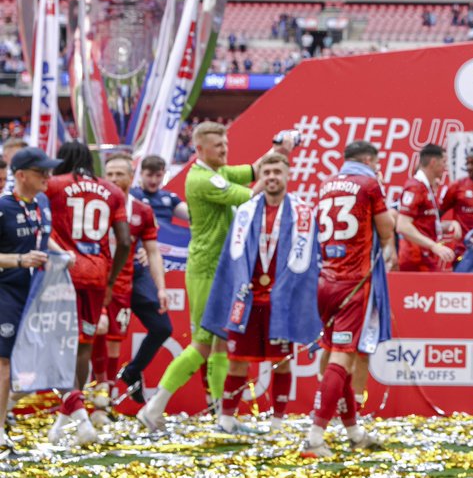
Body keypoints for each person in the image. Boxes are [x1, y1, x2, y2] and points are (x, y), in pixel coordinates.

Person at [138, 122, 290, 431]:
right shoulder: (201, 179)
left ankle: (224, 418)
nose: (224, 149)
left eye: (225, 143)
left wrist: (277, 150)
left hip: (222, 271)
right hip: (206, 270)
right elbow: (251, 194)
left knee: (221, 343)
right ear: (200, 150)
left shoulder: (217, 171)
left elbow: (252, 170)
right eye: (218, 145)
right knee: (204, 343)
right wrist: (276, 176)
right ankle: (155, 407)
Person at [201, 153, 320, 435]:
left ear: (288, 174)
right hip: (248, 298)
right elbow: (232, 259)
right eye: (266, 172)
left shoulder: (303, 213)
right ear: (261, 177)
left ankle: (277, 423)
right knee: (237, 362)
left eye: (277, 171)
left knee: (281, 363)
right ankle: (227, 420)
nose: (271, 177)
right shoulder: (245, 211)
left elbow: (307, 265)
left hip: (280, 302)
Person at [302, 140, 397, 457]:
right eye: (377, 162)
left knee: (338, 354)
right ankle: (315, 438)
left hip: (326, 279)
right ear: (369, 159)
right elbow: (387, 231)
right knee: (343, 359)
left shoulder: (327, 184)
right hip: (354, 283)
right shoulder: (369, 183)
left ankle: (354, 431)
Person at [44, 141, 131, 447]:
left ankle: (78, 418)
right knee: (83, 345)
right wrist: (110, 278)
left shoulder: (52, 185)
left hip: (61, 273)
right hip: (96, 274)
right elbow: (124, 241)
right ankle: (63, 425)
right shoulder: (113, 191)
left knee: (56, 347)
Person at [95, 154, 172, 408]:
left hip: (129, 279)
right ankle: (91, 400)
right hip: (97, 280)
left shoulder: (142, 210)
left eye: (120, 174)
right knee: (95, 338)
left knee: (158, 328)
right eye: (110, 174)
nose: (114, 179)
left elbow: (152, 251)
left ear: (131, 177)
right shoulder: (95, 205)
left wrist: (161, 288)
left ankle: (120, 382)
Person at [0, 148, 56, 449]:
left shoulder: (40, 204)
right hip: (5, 292)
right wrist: (19, 260)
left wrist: (63, 254)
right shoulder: (2, 208)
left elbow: (46, 236)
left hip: (34, 294)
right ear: (21, 175)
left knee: (40, 361)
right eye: (41, 172)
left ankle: (4, 412)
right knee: (4, 362)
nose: (48, 176)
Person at [394, 144, 456, 272]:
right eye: (444, 162)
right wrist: (434, 246)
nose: (445, 167)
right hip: (415, 259)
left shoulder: (427, 187)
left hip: (424, 257)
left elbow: (422, 224)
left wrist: (447, 226)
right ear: (433, 162)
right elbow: (403, 225)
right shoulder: (415, 187)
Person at [133, 155, 189, 226]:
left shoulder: (170, 198)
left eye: (158, 175)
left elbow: (193, 215)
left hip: (165, 235)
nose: (154, 180)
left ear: (164, 174)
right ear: (141, 173)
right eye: (149, 175)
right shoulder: (132, 195)